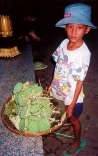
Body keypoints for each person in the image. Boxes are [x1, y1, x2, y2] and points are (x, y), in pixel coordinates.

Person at [48, 3, 97, 156]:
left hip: (72, 98)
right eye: (70, 27)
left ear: (87, 29)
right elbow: (58, 67)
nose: (73, 32)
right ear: (65, 27)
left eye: (79, 27)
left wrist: (73, 103)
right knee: (66, 117)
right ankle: (69, 128)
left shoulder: (83, 54)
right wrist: (51, 84)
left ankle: (77, 140)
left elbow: (80, 81)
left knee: (74, 118)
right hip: (59, 91)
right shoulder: (64, 44)